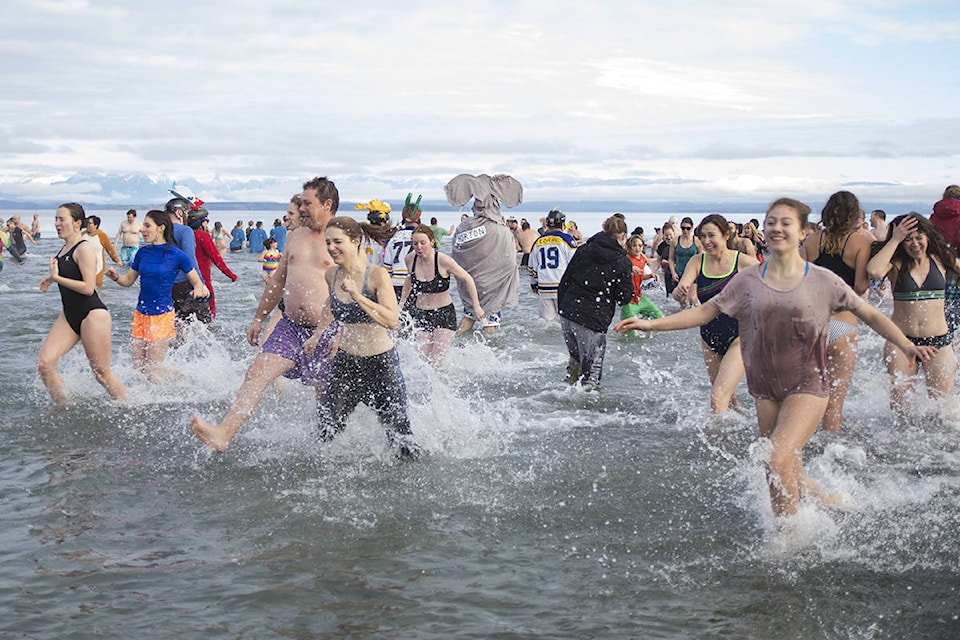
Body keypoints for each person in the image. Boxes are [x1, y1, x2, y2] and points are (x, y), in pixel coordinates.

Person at [616, 198, 935, 518]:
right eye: (771, 222)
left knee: (775, 457)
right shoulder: (750, 279)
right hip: (766, 384)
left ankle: (787, 541)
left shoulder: (822, 279)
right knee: (785, 466)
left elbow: (868, 313)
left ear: (802, 233)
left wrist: (906, 344)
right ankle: (827, 503)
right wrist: (650, 324)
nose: (777, 228)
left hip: (808, 381)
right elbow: (704, 313)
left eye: (786, 222)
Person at [190, 176, 340, 452]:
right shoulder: (295, 237)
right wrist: (259, 318)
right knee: (257, 372)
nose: (302, 208)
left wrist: (344, 332)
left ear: (326, 204)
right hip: (290, 326)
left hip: (327, 331)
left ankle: (329, 445)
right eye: (302, 203)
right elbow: (278, 282)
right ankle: (224, 432)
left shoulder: (341, 237)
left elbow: (356, 288)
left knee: (326, 397)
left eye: (308, 203)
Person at [302, 216, 420, 458]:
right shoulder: (331, 275)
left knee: (401, 441)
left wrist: (358, 296)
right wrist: (318, 334)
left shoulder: (376, 275)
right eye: (328, 242)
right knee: (326, 430)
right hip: (346, 363)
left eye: (337, 241)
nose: (331, 247)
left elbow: (392, 320)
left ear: (355, 241)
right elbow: (329, 304)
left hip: (381, 365)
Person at [867, 213, 959, 413]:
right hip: (901, 342)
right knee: (901, 410)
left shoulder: (941, 260)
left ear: (927, 237)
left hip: (939, 343)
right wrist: (895, 238)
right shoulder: (895, 264)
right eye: (908, 239)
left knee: (942, 410)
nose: (914, 244)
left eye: (919, 237)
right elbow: (874, 271)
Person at [37, 203, 127, 404]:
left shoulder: (84, 248)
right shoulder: (64, 247)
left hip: (92, 315)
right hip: (69, 315)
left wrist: (56, 278)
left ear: (77, 223)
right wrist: (51, 278)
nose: (57, 224)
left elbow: (88, 287)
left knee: (102, 374)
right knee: (45, 364)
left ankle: (130, 407)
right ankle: (64, 407)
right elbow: (68, 274)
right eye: (56, 219)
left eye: (62, 219)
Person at [105, 210, 209, 382]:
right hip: (141, 315)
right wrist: (116, 277)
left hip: (162, 316)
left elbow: (197, 281)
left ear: (161, 228)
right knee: (138, 370)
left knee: (152, 372)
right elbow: (128, 281)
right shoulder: (142, 253)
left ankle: (182, 380)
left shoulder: (177, 255)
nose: (142, 230)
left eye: (147, 226)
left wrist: (199, 288)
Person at [800, 191, 872, 431]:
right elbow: (861, 287)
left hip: (812, 324)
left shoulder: (811, 241)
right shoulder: (861, 242)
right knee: (835, 404)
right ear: (854, 214)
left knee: (809, 398)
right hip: (843, 324)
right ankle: (832, 454)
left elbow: (798, 281)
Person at [672, 215, 758, 412]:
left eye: (712, 235)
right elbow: (682, 292)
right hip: (709, 337)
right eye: (702, 236)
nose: (706, 241)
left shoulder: (743, 262)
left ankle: (715, 440)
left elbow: (777, 282)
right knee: (727, 397)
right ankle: (742, 425)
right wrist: (679, 294)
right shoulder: (697, 261)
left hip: (740, 336)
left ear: (726, 235)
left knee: (717, 398)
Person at [557, 215, 634, 391]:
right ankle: (587, 415)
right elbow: (623, 297)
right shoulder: (622, 262)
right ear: (623, 237)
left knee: (575, 364)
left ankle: (562, 406)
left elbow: (565, 280)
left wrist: (563, 308)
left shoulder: (584, 250)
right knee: (591, 377)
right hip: (592, 319)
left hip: (568, 313)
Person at [446, 173, 523, 333]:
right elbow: (509, 260)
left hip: (470, 283)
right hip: (492, 287)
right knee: (490, 319)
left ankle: (454, 345)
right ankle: (491, 352)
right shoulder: (500, 229)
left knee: (469, 317)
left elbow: (457, 254)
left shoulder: (464, 227)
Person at [399, 224, 484, 365]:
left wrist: (476, 306)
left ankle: (448, 384)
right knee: (424, 361)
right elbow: (409, 279)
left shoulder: (443, 260)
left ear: (432, 241)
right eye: (415, 244)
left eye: (423, 243)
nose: (419, 247)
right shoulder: (410, 259)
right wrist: (401, 304)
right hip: (420, 314)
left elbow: (467, 278)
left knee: (437, 361)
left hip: (443, 314)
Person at [528, 209, 578, 322]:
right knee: (565, 323)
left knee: (547, 324)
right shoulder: (568, 240)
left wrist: (534, 285)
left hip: (544, 288)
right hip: (563, 287)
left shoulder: (538, 241)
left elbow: (531, 267)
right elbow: (575, 265)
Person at [187, 207, 237, 319]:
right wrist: (231, 275)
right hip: (203, 282)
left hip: (184, 281)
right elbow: (216, 258)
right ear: (202, 222)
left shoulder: (184, 235)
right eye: (206, 221)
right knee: (208, 316)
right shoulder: (203, 236)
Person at [619, 234, 663, 335]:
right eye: (634, 245)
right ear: (629, 247)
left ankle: (640, 323)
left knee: (658, 316)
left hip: (640, 297)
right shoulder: (625, 260)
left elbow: (639, 276)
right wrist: (629, 269)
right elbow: (618, 273)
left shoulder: (642, 259)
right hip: (628, 300)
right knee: (629, 335)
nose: (637, 248)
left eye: (640, 246)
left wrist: (650, 275)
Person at [930, 185, 960, 334]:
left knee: (941, 298)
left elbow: (929, 234)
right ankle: (952, 338)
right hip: (956, 259)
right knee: (956, 301)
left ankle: (940, 333)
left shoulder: (935, 214)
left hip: (937, 259)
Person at [384, 193, 422, 299]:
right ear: (418, 218)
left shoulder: (393, 238)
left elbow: (387, 268)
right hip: (416, 284)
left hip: (396, 284)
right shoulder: (423, 239)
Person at [82, 215, 121, 288]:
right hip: (83, 266)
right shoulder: (82, 235)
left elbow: (109, 249)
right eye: (87, 223)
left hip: (98, 266)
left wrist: (117, 260)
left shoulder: (102, 235)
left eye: (90, 223)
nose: (88, 225)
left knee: (97, 288)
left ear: (96, 225)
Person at [669, 217, 702, 294]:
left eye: (688, 228)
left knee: (692, 298)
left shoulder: (696, 241)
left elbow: (701, 258)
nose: (685, 231)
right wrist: (673, 273)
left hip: (693, 274)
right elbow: (671, 259)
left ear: (692, 228)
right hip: (679, 273)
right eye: (683, 228)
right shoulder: (675, 241)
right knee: (682, 299)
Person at [655, 221, 678, 295]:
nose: (668, 237)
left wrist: (669, 263)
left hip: (679, 272)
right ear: (663, 236)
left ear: (674, 234)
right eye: (666, 235)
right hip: (667, 273)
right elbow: (658, 261)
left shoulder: (679, 244)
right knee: (670, 295)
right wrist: (652, 272)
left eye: (670, 235)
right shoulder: (662, 246)